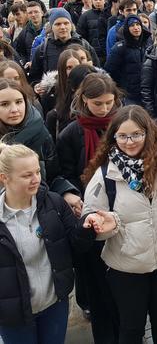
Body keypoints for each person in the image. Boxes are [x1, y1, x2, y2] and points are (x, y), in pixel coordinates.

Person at [81, 105, 157, 344]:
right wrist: (102, 226)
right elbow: (91, 215)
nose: (130, 142)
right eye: (123, 136)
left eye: (136, 134)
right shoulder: (105, 174)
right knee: (131, 325)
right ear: (113, 137)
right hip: (126, 265)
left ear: (149, 132)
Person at [0, 143, 99, 344]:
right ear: (4, 178)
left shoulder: (53, 203)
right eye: (27, 175)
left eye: (37, 171)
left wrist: (86, 227)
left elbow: (75, 243)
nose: (36, 179)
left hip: (54, 303)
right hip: (13, 313)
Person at [55, 73, 122, 343]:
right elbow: (65, 172)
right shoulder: (71, 133)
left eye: (109, 103)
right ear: (84, 100)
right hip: (89, 211)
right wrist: (72, 194)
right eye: (98, 104)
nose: (104, 109)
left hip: (122, 208)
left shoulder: (121, 125)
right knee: (96, 279)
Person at [29, 8, 98, 83]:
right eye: (58, 24)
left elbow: (96, 71)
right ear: (51, 26)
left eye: (66, 23)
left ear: (71, 25)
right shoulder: (43, 49)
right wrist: (37, 87)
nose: (62, 27)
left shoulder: (84, 45)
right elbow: (34, 78)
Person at [105, 14, 152, 105]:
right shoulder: (120, 47)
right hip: (128, 95)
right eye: (132, 25)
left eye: (138, 25)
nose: (136, 28)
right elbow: (109, 71)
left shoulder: (148, 45)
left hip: (147, 93)